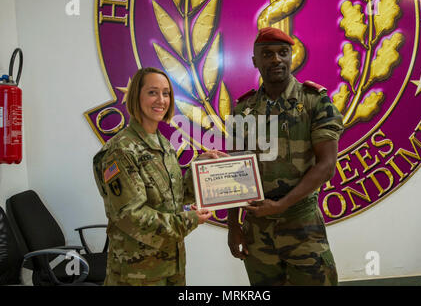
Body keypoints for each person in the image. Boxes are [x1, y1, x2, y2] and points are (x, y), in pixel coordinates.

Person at [227, 27, 344, 286]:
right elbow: (235, 169)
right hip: (257, 230)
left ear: (293, 56)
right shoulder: (243, 109)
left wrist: (282, 205)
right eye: (267, 54)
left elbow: (326, 166)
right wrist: (233, 225)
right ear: (255, 61)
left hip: (302, 224)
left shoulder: (315, 102)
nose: (276, 59)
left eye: (283, 52)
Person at [93, 67, 220, 286]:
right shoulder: (121, 150)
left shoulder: (163, 143)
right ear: (136, 97)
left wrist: (200, 171)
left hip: (171, 266)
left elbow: (175, 197)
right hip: (137, 274)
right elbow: (131, 216)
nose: (161, 100)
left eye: (166, 93)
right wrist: (189, 220)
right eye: (152, 92)